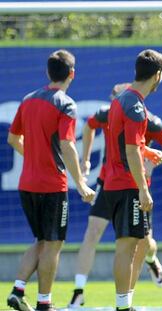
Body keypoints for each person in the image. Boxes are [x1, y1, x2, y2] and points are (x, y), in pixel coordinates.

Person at [68, 82, 162, 307]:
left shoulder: (146, 118)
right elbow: (89, 126)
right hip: (107, 182)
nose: (114, 104)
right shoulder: (109, 113)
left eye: (117, 100)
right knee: (93, 231)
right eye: (113, 100)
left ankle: (150, 261)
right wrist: (86, 159)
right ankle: (78, 291)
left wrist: (150, 165)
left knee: (143, 243)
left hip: (135, 186)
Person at [6, 49, 95, 311]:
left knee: (41, 241)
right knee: (53, 245)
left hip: (27, 184)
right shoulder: (65, 104)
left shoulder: (28, 99)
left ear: (48, 72)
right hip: (52, 185)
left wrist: (34, 155)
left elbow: (13, 139)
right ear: (72, 74)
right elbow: (67, 144)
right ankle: (44, 303)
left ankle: (17, 290)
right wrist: (80, 183)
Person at [104, 50, 162, 311]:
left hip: (114, 181)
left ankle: (125, 303)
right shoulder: (136, 107)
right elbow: (129, 150)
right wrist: (143, 189)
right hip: (127, 184)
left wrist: (146, 150)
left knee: (133, 244)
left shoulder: (122, 99)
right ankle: (123, 306)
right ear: (157, 75)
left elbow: (127, 144)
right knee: (127, 246)